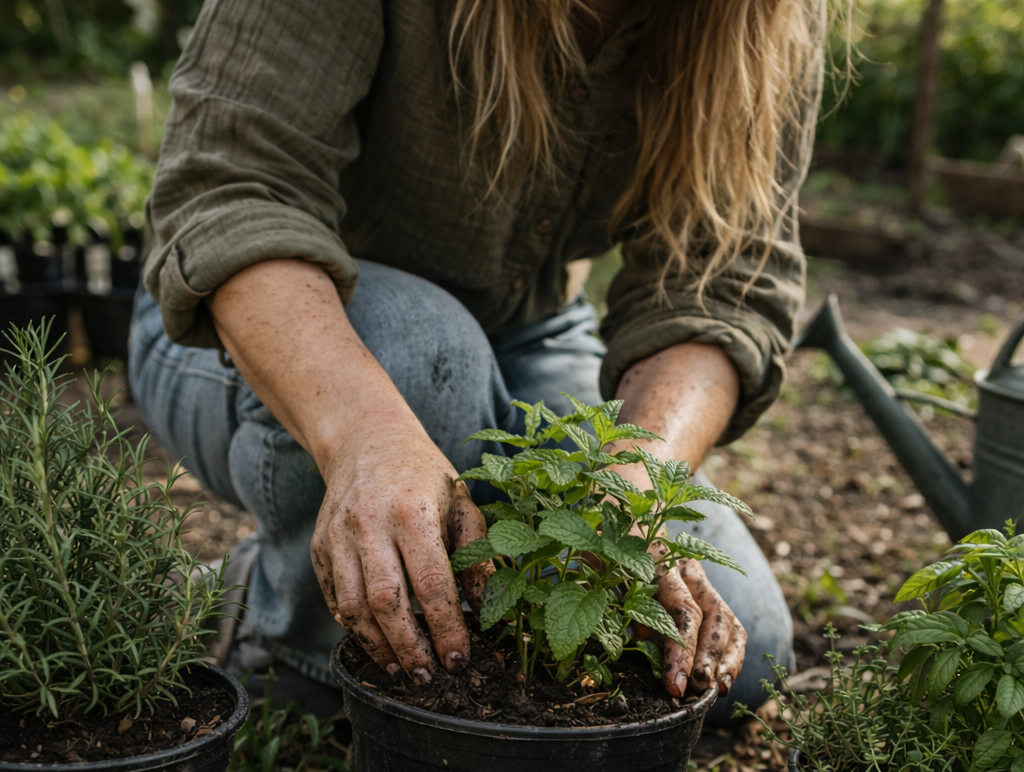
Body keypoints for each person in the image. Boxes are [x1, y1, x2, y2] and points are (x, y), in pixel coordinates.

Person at [131, 0, 825, 724]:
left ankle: (305, 580)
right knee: (426, 350)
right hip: (264, 322)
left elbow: (721, 283)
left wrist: (631, 484)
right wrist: (369, 439)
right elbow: (232, 191)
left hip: (528, 334)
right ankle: (279, 633)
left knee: (738, 662)